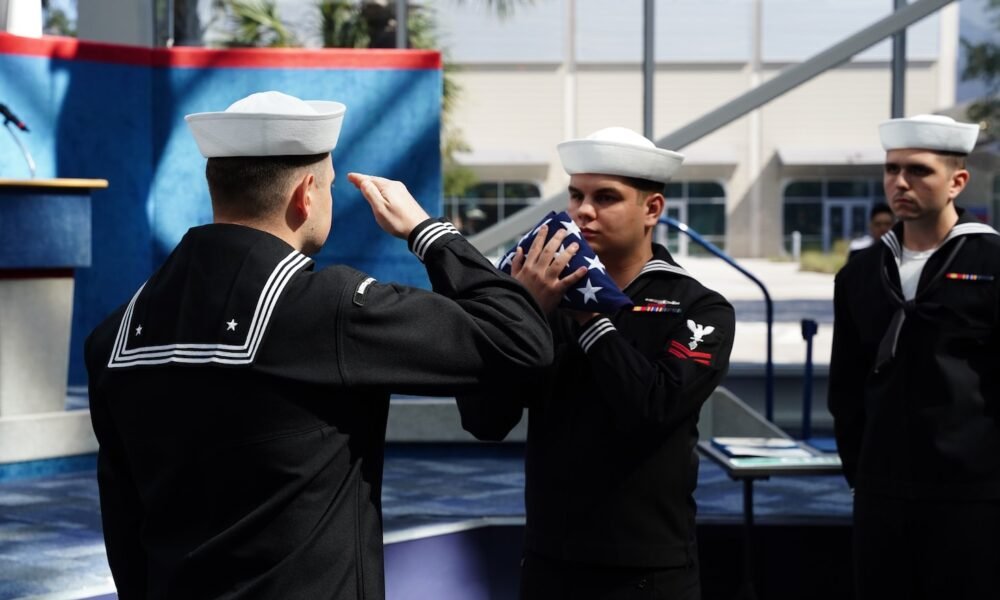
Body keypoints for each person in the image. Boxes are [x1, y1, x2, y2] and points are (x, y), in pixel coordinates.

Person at [84, 91, 553, 599]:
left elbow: (124, 527)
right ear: (305, 194)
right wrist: (428, 232)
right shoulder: (324, 309)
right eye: (328, 185)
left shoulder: (114, 335)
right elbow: (520, 341)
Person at [458, 127, 735, 599]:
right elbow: (485, 421)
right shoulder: (546, 302)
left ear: (652, 210)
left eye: (606, 197)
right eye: (576, 195)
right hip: (550, 561)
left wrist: (591, 320)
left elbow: (654, 408)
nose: (583, 211)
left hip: (648, 569)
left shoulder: (699, 307)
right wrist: (514, 321)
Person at [828, 114, 1000, 599]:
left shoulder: (990, 264)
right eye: (891, 169)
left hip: (973, 496)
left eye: (918, 170)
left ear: (957, 182)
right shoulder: (860, 274)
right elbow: (846, 385)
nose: (899, 182)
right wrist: (862, 472)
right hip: (881, 493)